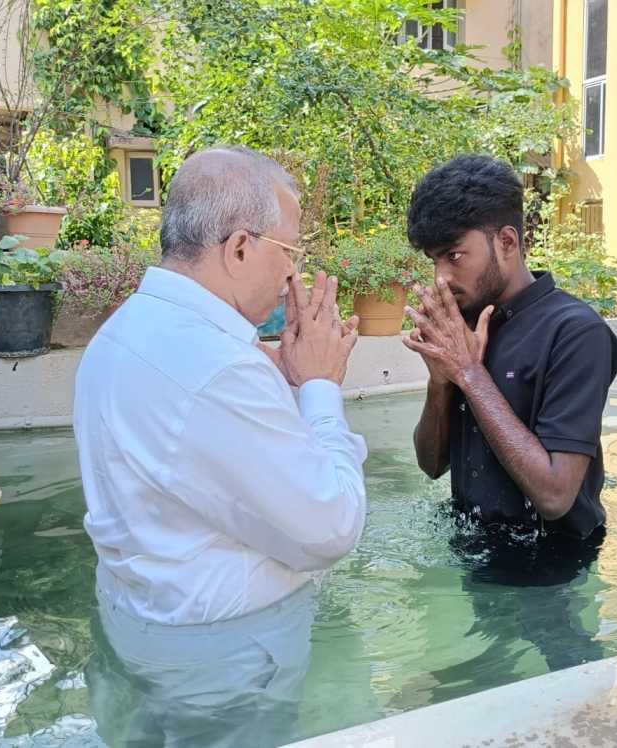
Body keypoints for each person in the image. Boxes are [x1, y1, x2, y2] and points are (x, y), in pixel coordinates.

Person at [74, 146, 367, 747]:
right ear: (239, 248)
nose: (292, 275)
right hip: (226, 665)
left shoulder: (123, 330)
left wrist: (282, 380)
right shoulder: (217, 370)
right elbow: (330, 526)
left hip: (148, 626)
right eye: (288, 253)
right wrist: (317, 386)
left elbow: (204, 463)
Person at [402, 155, 617, 668]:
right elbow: (432, 465)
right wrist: (442, 382)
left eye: (455, 255)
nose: (441, 277)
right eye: (433, 259)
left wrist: (470, 374)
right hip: (477, 548)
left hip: (550, 564)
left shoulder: (575, 332)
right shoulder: (468, 325)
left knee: (566, 682)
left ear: (507, 241)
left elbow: (555, 494)